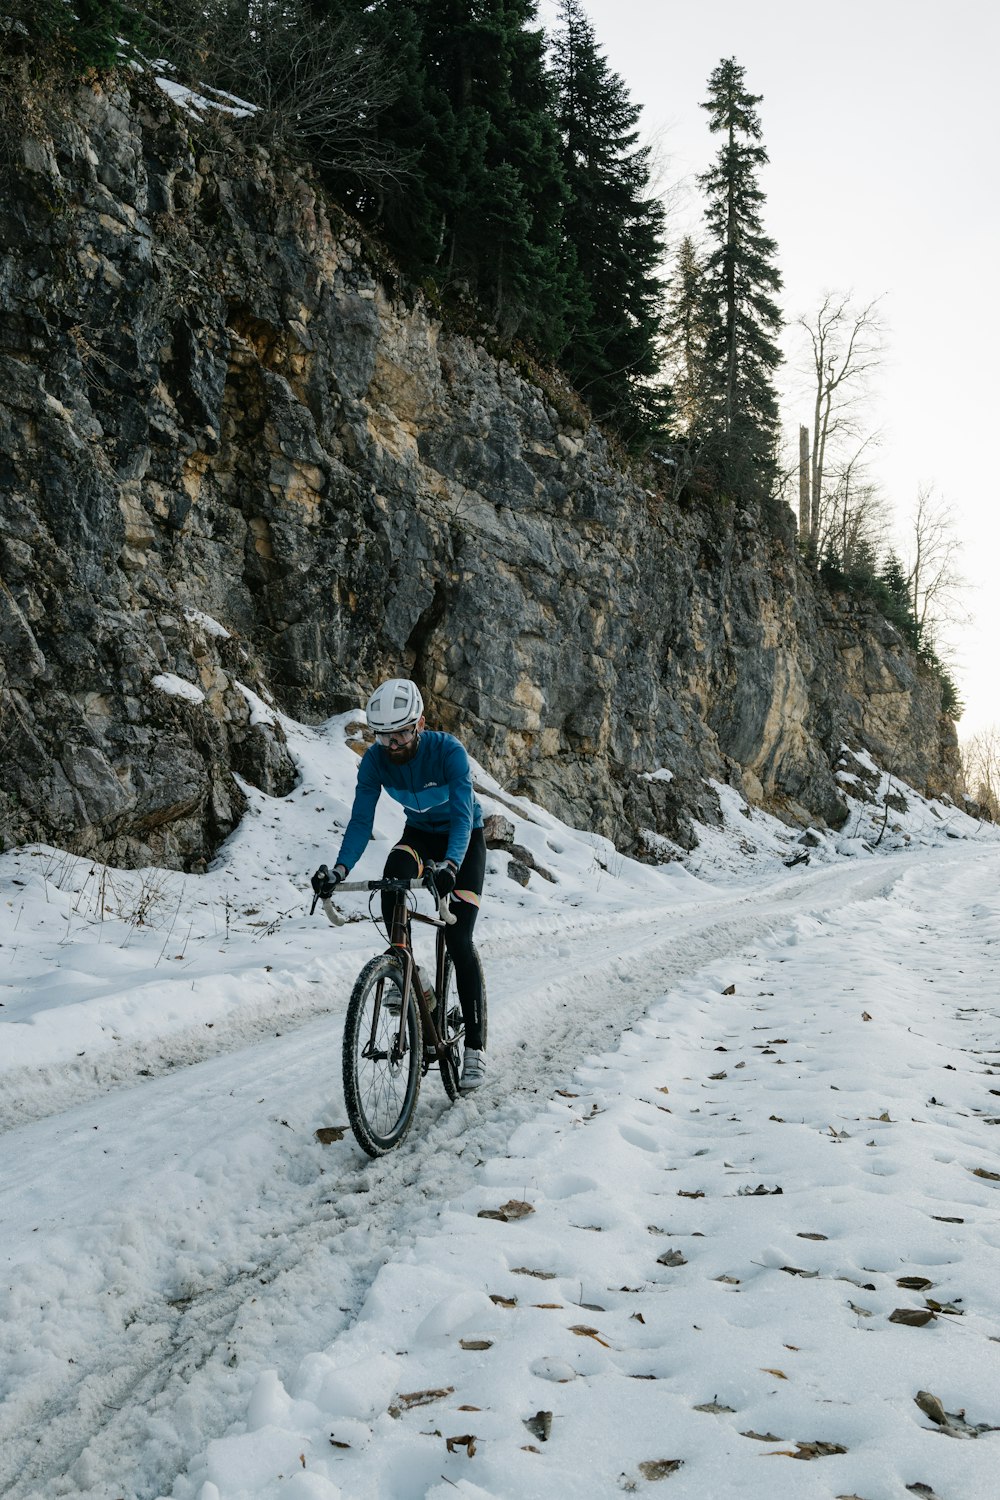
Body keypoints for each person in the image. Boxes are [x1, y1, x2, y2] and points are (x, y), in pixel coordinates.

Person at [313, 678, 488, 1091]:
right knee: (394, 877)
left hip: (464, 839)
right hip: (419, 834)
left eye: (401, 734)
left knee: (459, 937)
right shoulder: (374, 761)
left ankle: (476, 1049)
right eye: (384, 737)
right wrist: (338, 871)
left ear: (420, 724)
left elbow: (463, 816)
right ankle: (407, 972)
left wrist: (450, 863)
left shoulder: (449, 752)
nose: (392, 744)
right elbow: (360, 822)